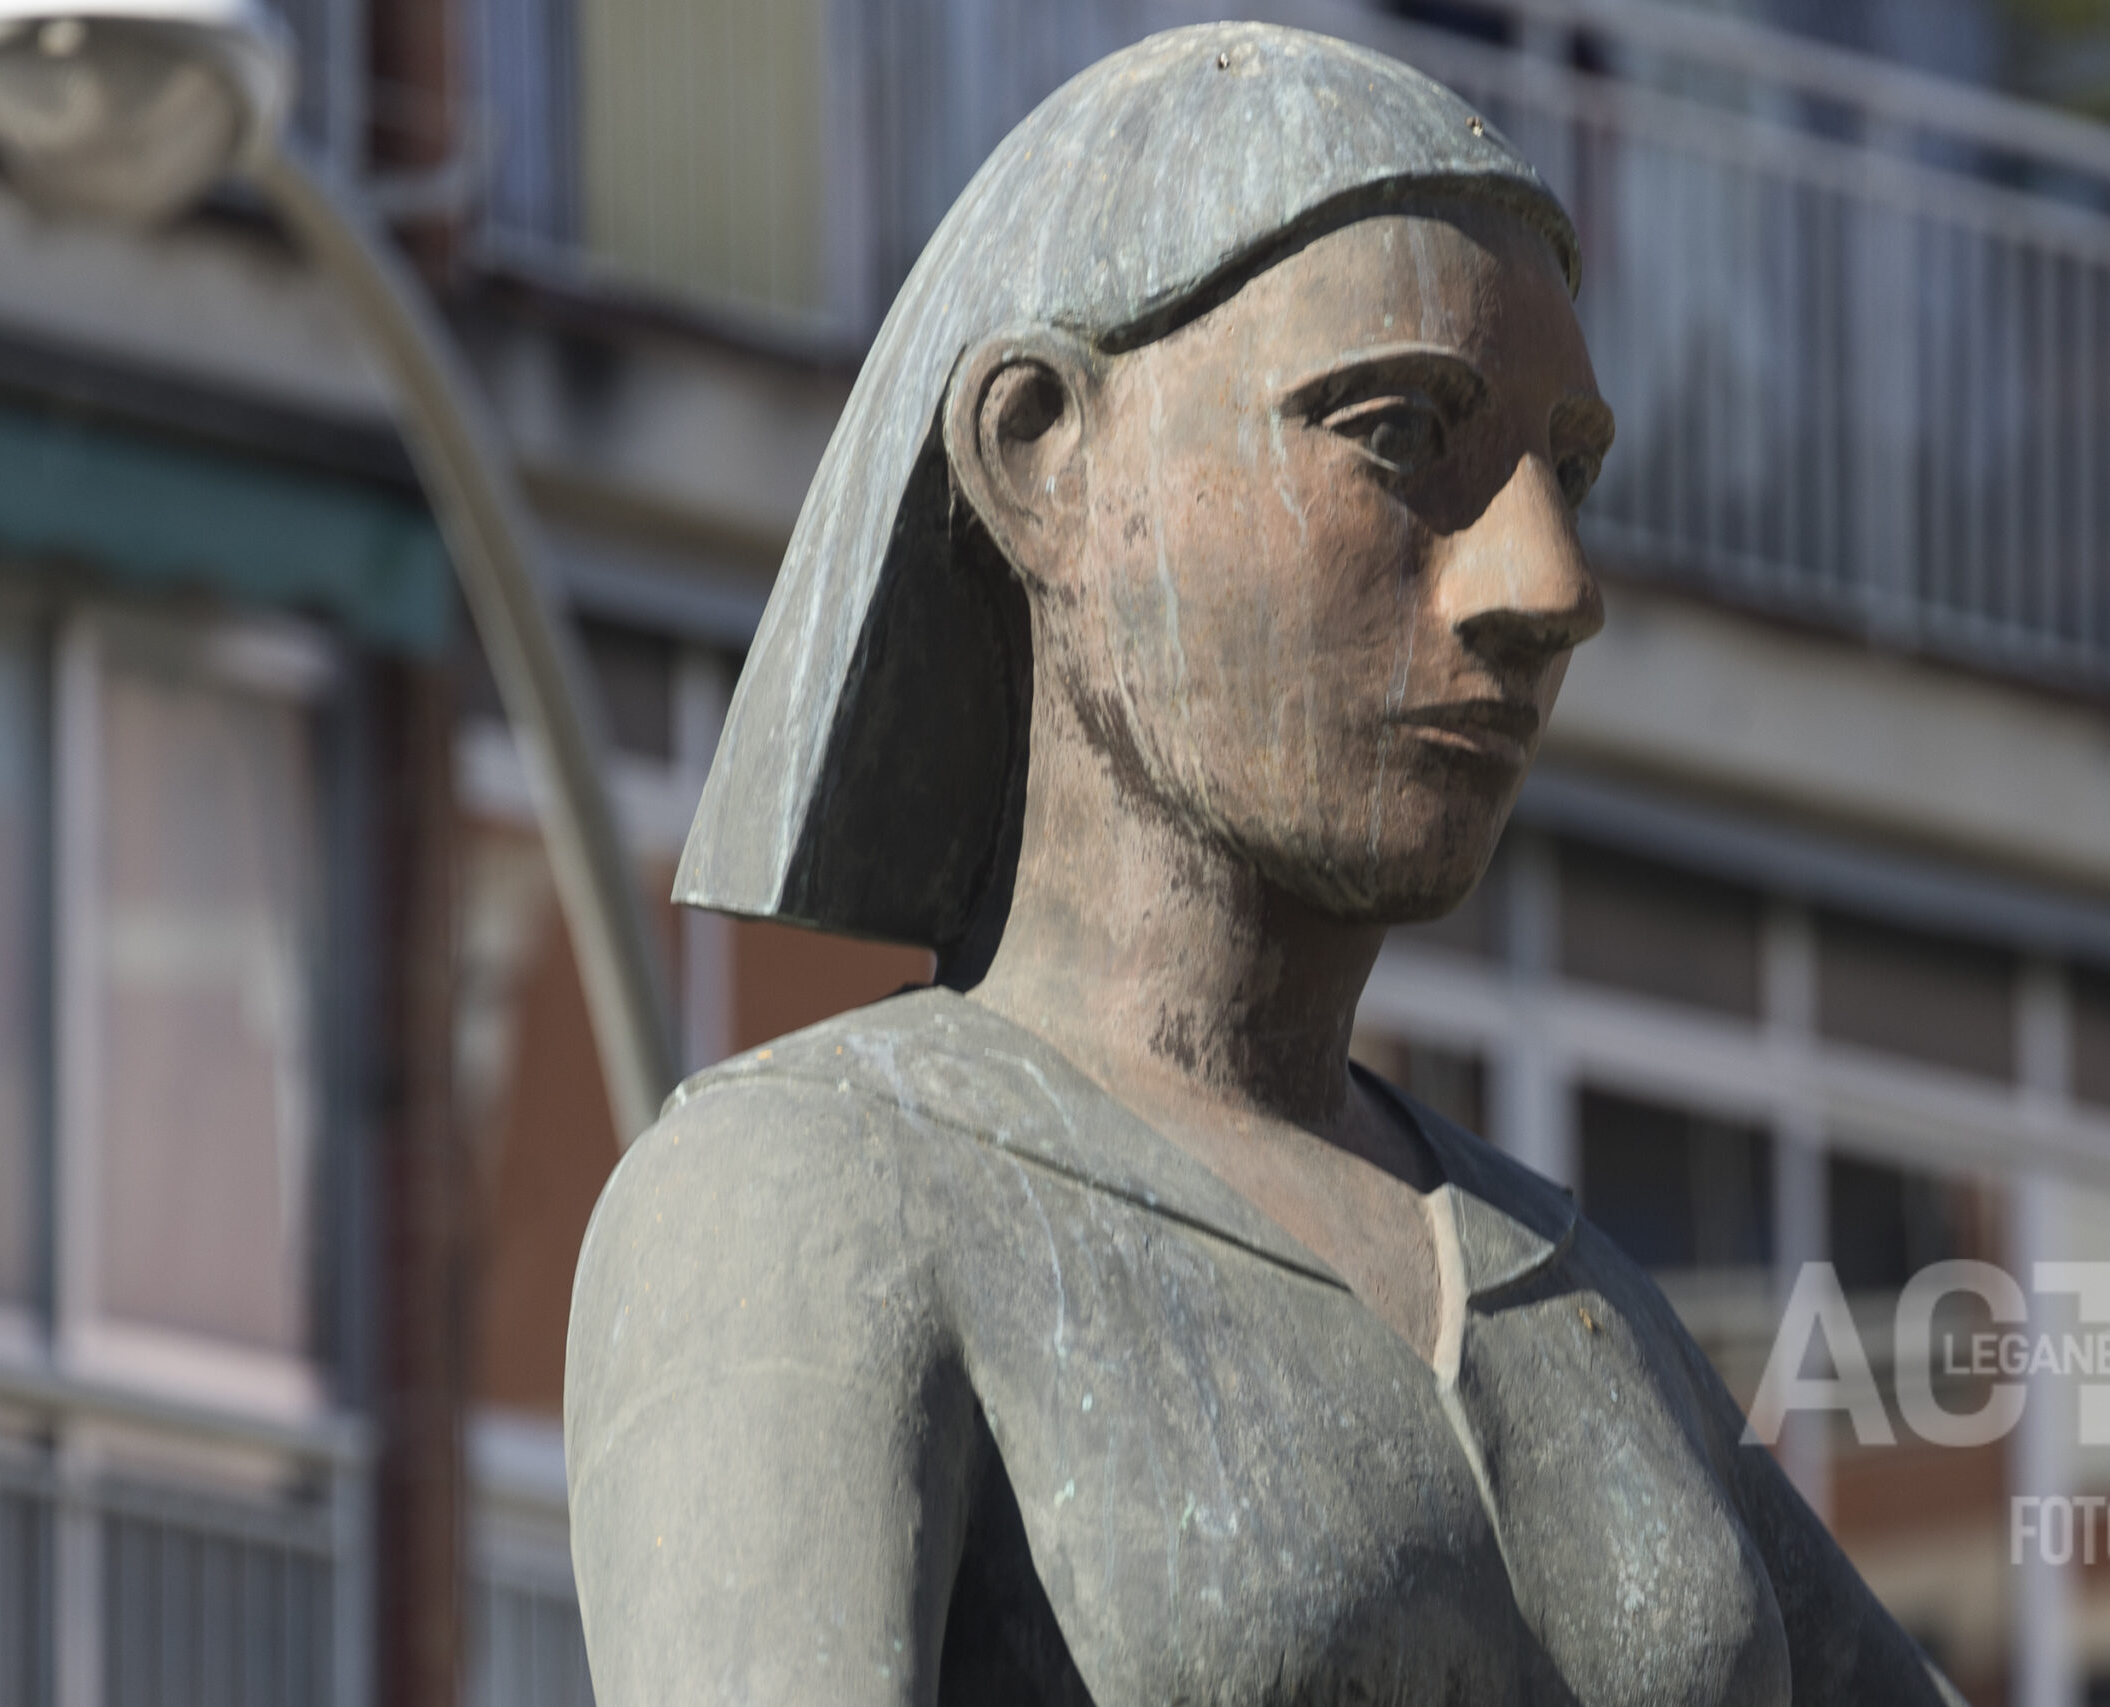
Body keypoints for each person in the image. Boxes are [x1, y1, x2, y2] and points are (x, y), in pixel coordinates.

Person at [567, 22, 1961, 1705]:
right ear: (1038, 459)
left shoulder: (1588, 1307)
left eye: (1568, 473)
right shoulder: (812, 1196)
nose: (1550, 579)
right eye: (1397, 433)